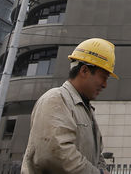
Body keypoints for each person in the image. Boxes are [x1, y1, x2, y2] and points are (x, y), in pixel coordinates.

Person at [23, 38, 118, 174]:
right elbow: (55, 153)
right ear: (84, 71)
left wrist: (102, 168)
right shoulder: (55, 99)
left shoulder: (87, 111)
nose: (105, 85)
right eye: (103, 77)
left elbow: (96, 156)